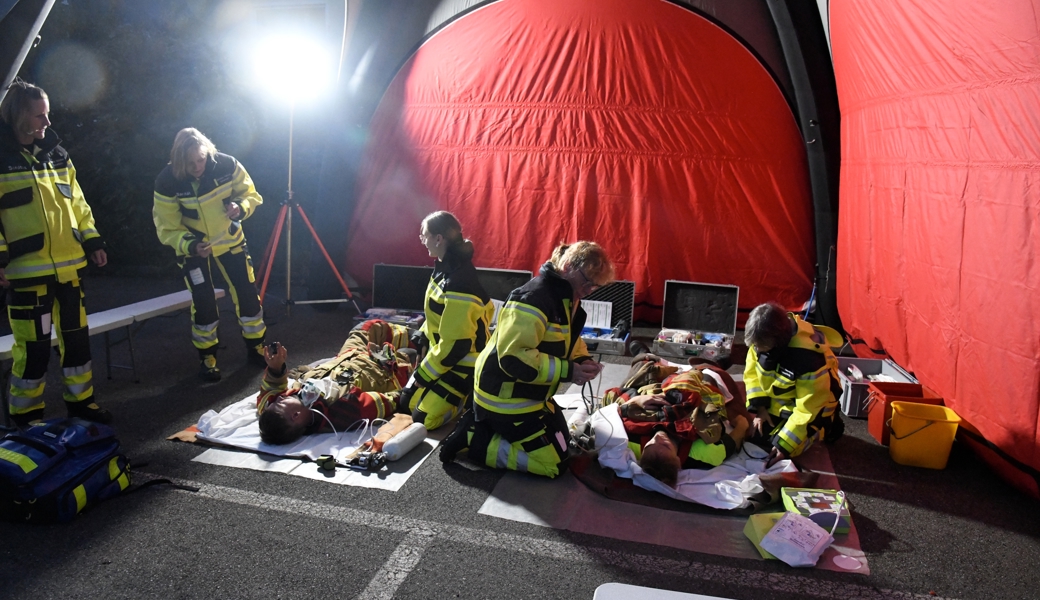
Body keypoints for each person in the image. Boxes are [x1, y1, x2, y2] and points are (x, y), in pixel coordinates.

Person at [440, 241, 614, 478]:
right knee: (554, 465)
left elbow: (568, 340)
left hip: (531, 395)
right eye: (587, 281)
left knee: (565, 448)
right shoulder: (534, 298)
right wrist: (569, 371)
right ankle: (474, 438)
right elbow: (514, 358)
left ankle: (483, 425)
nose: (589, 289)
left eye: (595, 285)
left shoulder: (565, 296)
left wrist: (582, 359)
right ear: (569, 266)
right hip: (504, 398)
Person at [0, 80, 110, 426]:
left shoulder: (57, 153)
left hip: (70, 269)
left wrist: (92, 240)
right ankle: (25, 417)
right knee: (32, 352)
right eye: (40, 116)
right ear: (19, 117)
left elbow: (77, 202)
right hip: (25, 273)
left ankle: (81, 404)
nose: (47, 123)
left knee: (77, 345)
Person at [152, 128, 266, 382]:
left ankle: (257, 347)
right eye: (189, 163)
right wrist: (190, 246)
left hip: (231, 241)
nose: (196, 167)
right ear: (178, 161)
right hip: (195, 249)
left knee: (246, 293)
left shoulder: (226, 164)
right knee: (203, 301)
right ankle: (207, 357)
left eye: (200, 160)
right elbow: (166, 228)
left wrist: (241, 207)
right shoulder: (167, 180)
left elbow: (251, 194)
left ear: (208, 152)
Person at [399, 211, 494, 430]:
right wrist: (422, 334)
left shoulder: (458, 280)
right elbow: (438, 315)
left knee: (421, 420)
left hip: (463, 367)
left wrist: (422, 376)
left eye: (424, 235)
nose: (422, 240)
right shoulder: (445, 268)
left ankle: (465, 400)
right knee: (406, 404)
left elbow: (456, 345)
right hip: (445, 359)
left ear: (439, 238)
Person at [257, 320, 415, 445]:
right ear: (296, 416)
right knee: (411, 354)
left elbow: (268, 394)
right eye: (280, 402)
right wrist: (406, 390)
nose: (279, 397)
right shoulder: (342, 410)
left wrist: (275, 370)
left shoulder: (278, 408)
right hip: (382, 368)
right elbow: (389, 401)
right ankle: (424, 340)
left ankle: (416, 335)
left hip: (348, 356)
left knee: (366, 326)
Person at [603, 355, 750, 486]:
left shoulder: (629, 444)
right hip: (693, 396)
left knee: (641, 368)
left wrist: (634, 402)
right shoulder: (705, 454)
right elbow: (740, 428)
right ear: (679, 461)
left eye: (650, 445)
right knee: (709, 376)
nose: (658, 438)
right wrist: (740, 424)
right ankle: (712, 363)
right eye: (665, 446)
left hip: (649, 397)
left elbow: (604, 415)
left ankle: (646, 355)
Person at [743, 302, 845, 467]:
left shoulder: (808, 358)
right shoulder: (761, 339)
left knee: (786, 449)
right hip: (784, 400)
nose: (758, 350)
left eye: (762, 347)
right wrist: (760, 408)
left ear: (779, 341)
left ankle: (827, 427)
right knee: (757, 437)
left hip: (815, 409)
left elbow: (809, 407)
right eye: (756, 347)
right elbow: (752, 374)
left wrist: (785, 445)